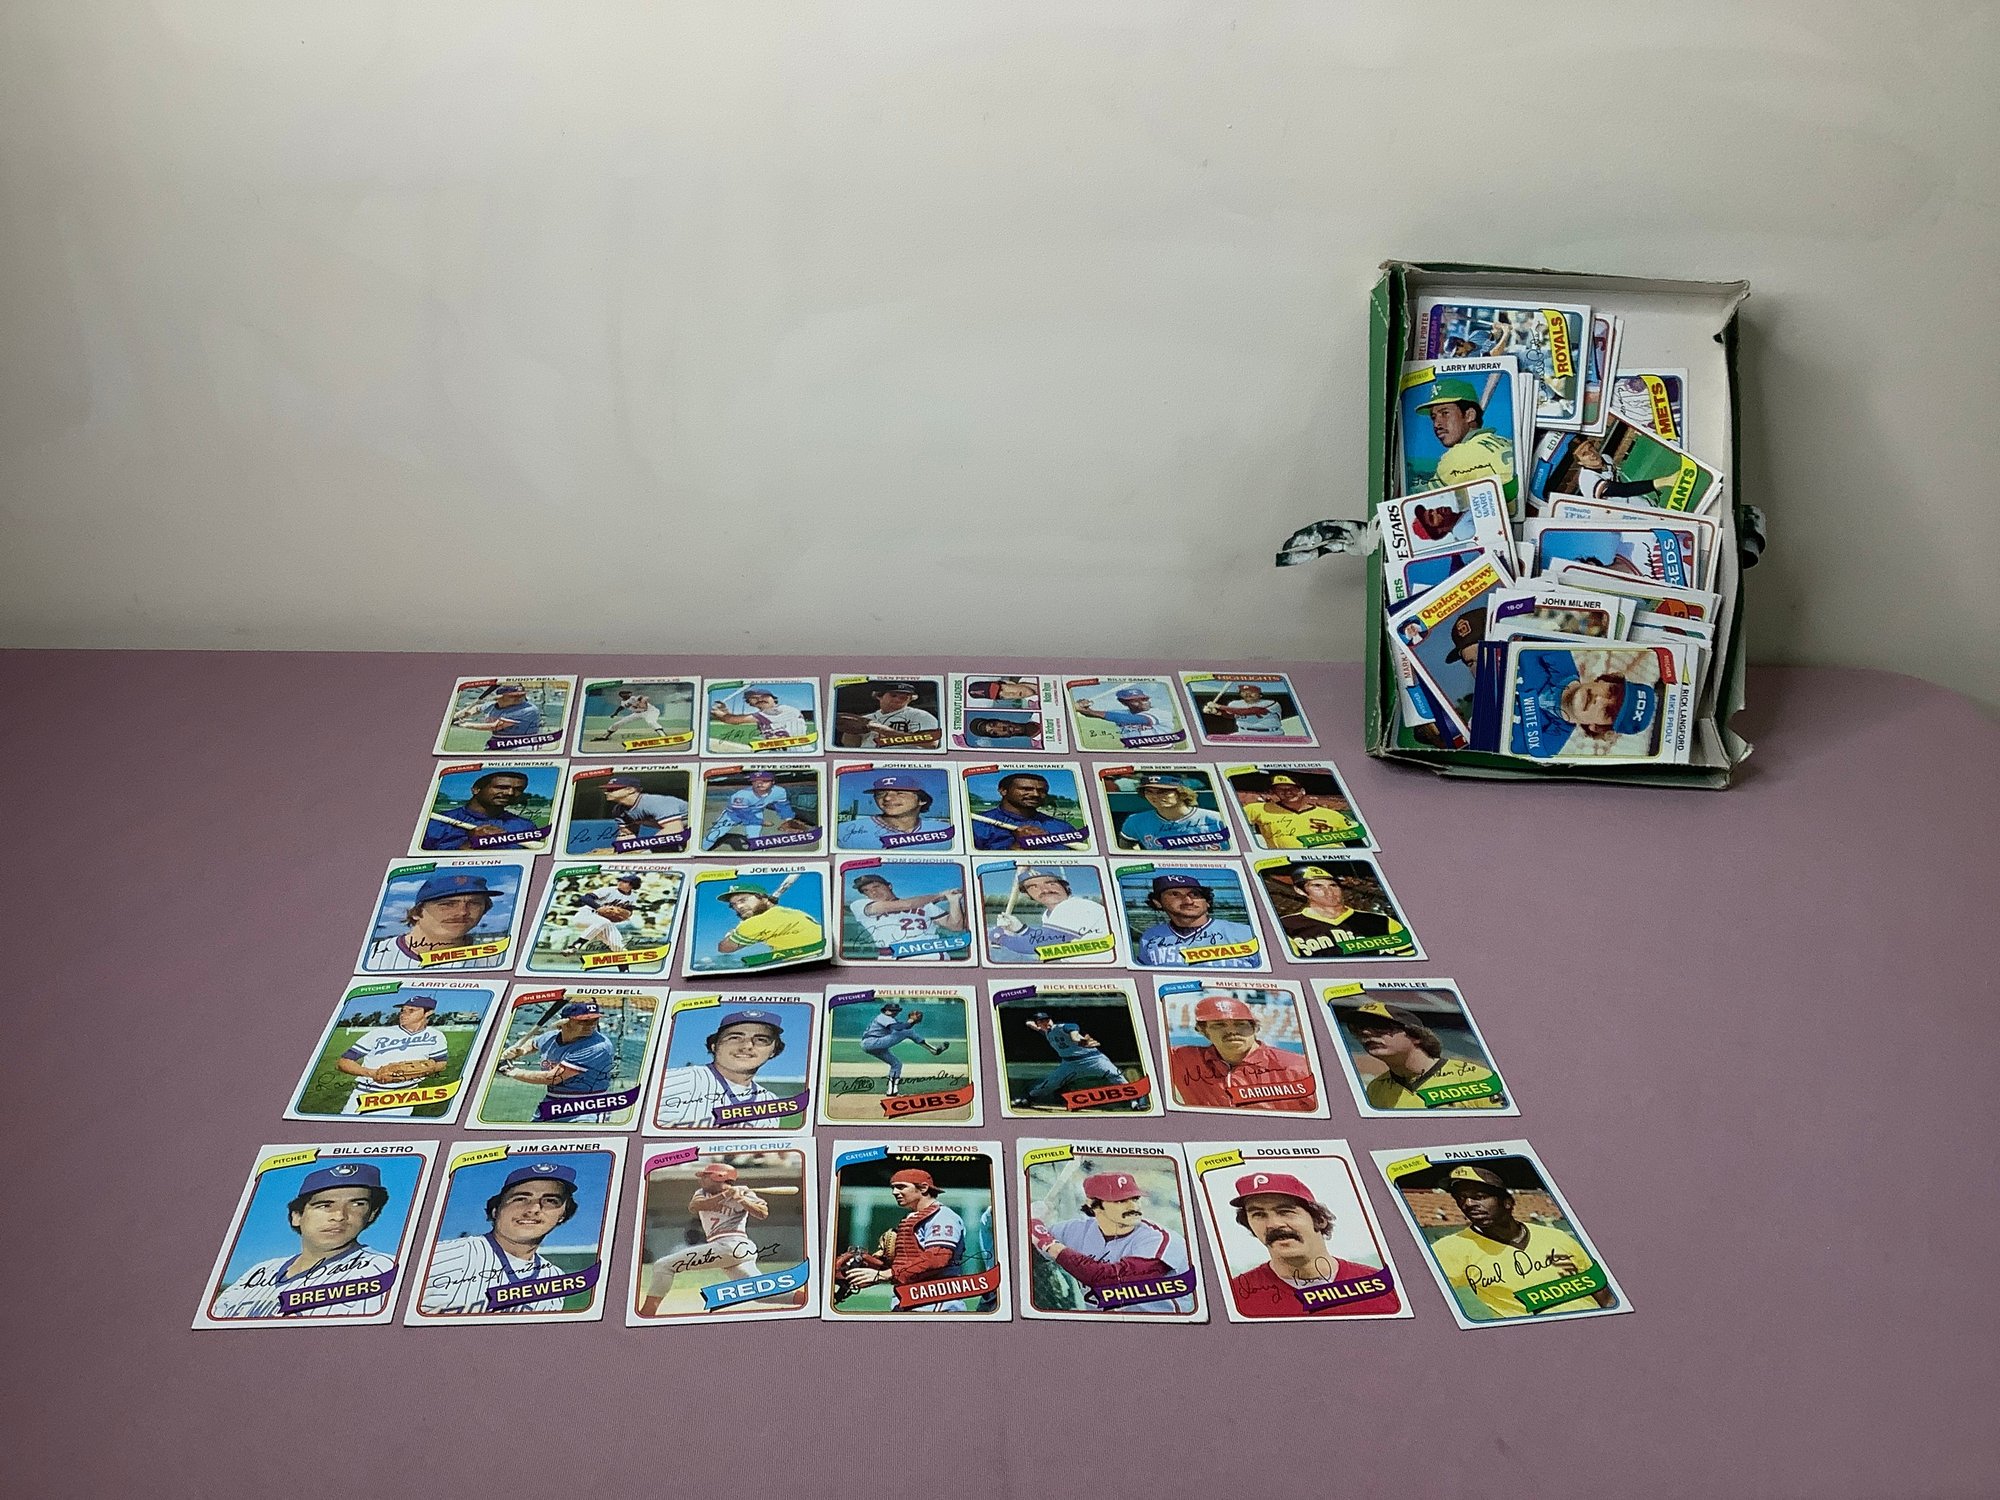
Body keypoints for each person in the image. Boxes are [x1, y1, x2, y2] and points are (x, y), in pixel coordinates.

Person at [210, 1162, 397, 1319]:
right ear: (297, 1216)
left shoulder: (385, 1268)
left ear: (371, 1214)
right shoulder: (259, 1271)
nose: (340, 1216)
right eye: (325, 1205)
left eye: (357, 1204)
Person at [1429, 1165, 1615, 1319]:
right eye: (1461, 1198)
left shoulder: (1557, 1237)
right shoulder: (1451, 1248)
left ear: (1507, 1202)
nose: (1468, 1204)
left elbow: (1605, 1297)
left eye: (1479, 1196)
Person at [1226, 1171, 1401, 1317]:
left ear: (1319, 1220)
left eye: (1285, 1211)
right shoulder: (1234, 1296)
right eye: (1258, 1215)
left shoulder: (1380, 1285)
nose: (1273, 1224)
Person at [419, 1162, 582, 1315]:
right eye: (520, 1199)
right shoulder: (443, 1255)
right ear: (496, 1211)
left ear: (562, 1215)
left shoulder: (554, 1277)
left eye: (550, 1201)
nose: (533, 1209)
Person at [1029, 1171, 1194, 1314]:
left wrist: (1048, 1243)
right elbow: (1029, 1245)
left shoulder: (1158, 1239)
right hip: (1101, 1327)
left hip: (1163, 1327)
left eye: (1135, 1198)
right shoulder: (1074, 1230)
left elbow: (1109, 1279)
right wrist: (1032, 1220)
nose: (1133, 1206)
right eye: (1120, 1201)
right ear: (1094, 1205)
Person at [637, 1162, 768, 1316]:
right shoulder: (702, 1193)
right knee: (760, 1293)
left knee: (662, 1266)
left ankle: (646, 1314)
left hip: (734, 1245)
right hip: (726, 1248)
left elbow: (763, 1213)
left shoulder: (744, 1192)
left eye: (706, 1177)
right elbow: (695, 1206)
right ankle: (795, 1298)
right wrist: (725, 1195)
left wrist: (742, 1199)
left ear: (719, 1177)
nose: (701, 1180)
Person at [837, 1169, 972, 1312]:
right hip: (911, 1298)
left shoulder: (942, 1217)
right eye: (893, 1188)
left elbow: (937, 1258)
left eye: (901, 1187)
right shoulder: (912, 1217)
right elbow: (908, 1262)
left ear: (923, 1188)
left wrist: (884, 1275)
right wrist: (869, 1268)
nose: (894, 1192)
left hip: (935, 1302)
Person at [1341, 1001, 1503, 1110]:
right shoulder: (1375, 1089)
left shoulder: (1477, 1078)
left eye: (1379, 1026)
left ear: (1416, 1036)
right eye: (1357, 1029)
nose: (1366, 1033)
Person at [1166, 993, 1315, 1111]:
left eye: (1240, 1024)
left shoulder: (1296, 1066)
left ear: (1255, 1028)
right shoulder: (1183, 1060)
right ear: (1203, 1031)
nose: (1232, 1031)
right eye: (1219, 1024)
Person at [1513, 648, 1661, 758]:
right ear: (1604, 680)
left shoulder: (1544, 747)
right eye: (1611, 690)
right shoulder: (1555, 650)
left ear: (1596, 727)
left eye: (1608, 711)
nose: (1599, 699)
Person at [653, 1008, 790, 1128]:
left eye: (761, 1040)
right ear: (714, 1046)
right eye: (735, 1038)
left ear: (773, 1051)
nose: (747, 1046)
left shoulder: (770, 1102)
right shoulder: (671, 1080)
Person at [494, 999, 620, 1122]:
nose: (591, 1025)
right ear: (564, 1023)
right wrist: (521, 1051)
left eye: (594, 1020)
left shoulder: (597, 1046)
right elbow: (533, 1043)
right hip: (553, 1100)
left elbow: (552, 1078)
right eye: (584, 1021)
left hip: (585, 1106)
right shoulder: (551, 1037)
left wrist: (511, 1071)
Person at [364, 871, 509, 971]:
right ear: (417, 912)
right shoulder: (371, 955)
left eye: (474, 903)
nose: (463, 912)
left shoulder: (497, 958)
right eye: (447, 904)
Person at [334, 993, 450, 1117]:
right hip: (368, 1094)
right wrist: (372, 1073)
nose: (404, 1014)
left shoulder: (436, 1036)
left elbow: (441, 1063)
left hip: (405, 1097)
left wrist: (426, 1069)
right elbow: (343, 1062)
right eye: (403, 1010)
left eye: (411, 1010)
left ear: (428, 1013)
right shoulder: (379, 1033)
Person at [1275, 865, 1416, 959]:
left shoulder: (1382, 922)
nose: (1328, 892)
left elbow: (1410, 958)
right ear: (1300, 891)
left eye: (1333, 885)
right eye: (1317, 886)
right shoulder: (1287, 927)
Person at [1414, 378, 1516, 503]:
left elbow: (1418, 502)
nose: (1436, 424)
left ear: (1469, 415)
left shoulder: (1456, 456)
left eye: (1445, 413)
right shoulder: (1508, 442)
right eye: (1433, 417)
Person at [1132, 873, 1261, 969]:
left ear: (1207, 902)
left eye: (1195, 894)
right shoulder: (1150, 937)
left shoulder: (1247, 933)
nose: (1188, 901)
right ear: (1158, 902)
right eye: (1175, 894)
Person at [985, 867, 1110, 959]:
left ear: (1065, 887)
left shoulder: (1076, 906)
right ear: (1029, 895)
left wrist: (1000, 937)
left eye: (1051, 883)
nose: (1045, 889)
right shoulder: (1049, 914)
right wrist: (1021, 929)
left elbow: (1037, 945)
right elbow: (1048, 939)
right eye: (1033, 887)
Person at [1016, 1011, 1129, 1108]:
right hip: (1070, 1064)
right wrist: (1031, 1024)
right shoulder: (1047, 1032)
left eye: (1047, 1020)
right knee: (1049, 1084)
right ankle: (1027, 1099)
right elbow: (1032, 1025)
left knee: (1117, 1075)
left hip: (1094, 1060)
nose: (1046, 1023)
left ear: (1051, 1020)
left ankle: (1135, 1101)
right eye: (1041, 1021)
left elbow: (1074, 1036)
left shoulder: (1064, 1027)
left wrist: (1081, 1040)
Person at [846, 872, 967, 962]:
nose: (873, 892)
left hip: (930, 956)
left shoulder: (925, 905)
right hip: (892, 959)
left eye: (876, 887)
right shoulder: (859, 906)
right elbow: (906, 905)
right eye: (866, 891)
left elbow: (956, 926)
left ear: (889, 886)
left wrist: (954, 901)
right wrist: (940, 896)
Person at [422, 769, 538, 851]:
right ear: (476, 789)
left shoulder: (525, 826)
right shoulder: (435, 823)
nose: (510, 793)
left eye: (518, 789)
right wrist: (470, 844)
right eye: (501, 787)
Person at [1235, 773, 1359, 849]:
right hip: (1286, 862)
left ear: (1302, 791)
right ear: (1274, 792)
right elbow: (1232, 822)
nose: (1287, 792)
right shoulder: (1259, 809)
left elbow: (1357, 836)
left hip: (1333, 862)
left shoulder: (1331, 815)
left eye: (1292, 788)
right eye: (1280, 789)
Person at [856, 997, 948, 1097]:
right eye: (891, 1010)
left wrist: (912, 1022)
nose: (893, 1012)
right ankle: (934, 1050)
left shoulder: (891, 1020)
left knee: (896, 1064)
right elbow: (898, 1028)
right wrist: (910, 1022)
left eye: (895, 1010)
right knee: (908, 1032)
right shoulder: (883, 1017)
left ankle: (892, 1091)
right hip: (872, 1042)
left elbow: (903, 1027)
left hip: (875, 1044)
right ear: (885, 1011)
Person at [971, 772, 1085, 850]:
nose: (1035, 794)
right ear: (1003, 791)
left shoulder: (1063, 828)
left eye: (1041, 791)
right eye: (1026, 789)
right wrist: (1018, 846)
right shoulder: (976, 825)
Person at [712, 883, 823, 961]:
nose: (739, 907)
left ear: (763, 898)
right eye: (733, 905)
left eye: (743, 900)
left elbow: (724, 948)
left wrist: (732, 934)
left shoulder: (758, 921)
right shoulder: (794, 913)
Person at [1115, 775, 1228, 851]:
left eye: (1163, 791)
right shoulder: (1135, 821)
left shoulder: (1218, 819)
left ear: (1182, 793)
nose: (1155, 796)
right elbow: (1126, 848)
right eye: (1149, 792)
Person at [840, 774, 953, 849]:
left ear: (922, 800)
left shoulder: (945, 829)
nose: (887, 798)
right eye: (880, 794)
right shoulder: (844, 831)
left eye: (900, 793)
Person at [701, 770, 795, 851]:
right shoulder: (741, 795)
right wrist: (761, 822)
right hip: (733, 814)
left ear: (773, 782)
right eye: (756, 781)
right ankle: (702, 850)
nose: (760, 784)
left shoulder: (779, 791)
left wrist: (788, 820)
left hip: (756, 812)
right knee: (713, 835)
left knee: (755, 838)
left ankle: (757, 856)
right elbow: (743, 813)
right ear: (752, 783)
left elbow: (782, 805)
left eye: (765, 781)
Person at [837, 681, 940, 749]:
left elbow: (931, 743)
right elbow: (851, 746)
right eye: (893, 695)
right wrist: (850, 732)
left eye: (904, 697)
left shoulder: (920, 715)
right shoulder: (865, 718)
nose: (898, 699)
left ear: (910, 699)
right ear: (879, 696)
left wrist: (883, 730)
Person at [600, 775, 691, 848]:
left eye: (612, 789)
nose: (606, 792)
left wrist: (648, 847)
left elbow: (674, 830)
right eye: (607, 789)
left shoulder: (653, 802)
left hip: (697, 829)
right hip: (685, 833)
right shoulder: (619, 810)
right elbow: (627, 836)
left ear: (630, 790)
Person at [1074, 685, 1178, 746]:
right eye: (1135, 701)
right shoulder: (1122, 713)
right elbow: (1094, 714)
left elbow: (1134, 720)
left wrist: (1090, 712)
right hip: (1134, 750)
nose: (1142, 703)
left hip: (1161, 750)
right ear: (1123, 703)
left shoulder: (1161, 713)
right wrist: (1083, 708)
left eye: (1144, 699)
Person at [453, 682, 543, 747]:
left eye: (521, 695)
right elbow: (478, 708)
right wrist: (467, 713)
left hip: (522, 745)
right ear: (499, 697)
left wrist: (465, 724)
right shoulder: (492, 705)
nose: (519, 698)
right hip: (498, 742)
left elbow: (495, 726)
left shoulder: (528, 709)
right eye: (514, 696)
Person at [710, 685, 810, 744]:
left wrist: (717, 712)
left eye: (764, 696)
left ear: (774, 699)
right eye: (754, 698)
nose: (760, 699)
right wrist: (725, 710)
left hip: (797, 750)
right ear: (750, 703)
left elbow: (732, 720)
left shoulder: (782, 710)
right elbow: (733, 718)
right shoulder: (763, 716)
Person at [562, 896, 635, 968]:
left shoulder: (622, 904)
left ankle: (624, 971)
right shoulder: (605, 894)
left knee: (620, 947)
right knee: (604, 921)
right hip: (585, 916)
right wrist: (599, 908)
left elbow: (624, 913)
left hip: (602, 924)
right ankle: (576, 945)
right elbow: (584, 898)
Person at [1203, 682, 1286, 736]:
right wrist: (1216, 712)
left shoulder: (1271, 703)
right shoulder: (1235, 704)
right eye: (1244, 692)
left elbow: (1248, 711)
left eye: (1252, 692)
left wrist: (1218, 706)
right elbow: (1234, 715)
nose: (1248, 695)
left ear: (1260, 695)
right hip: (1243, 732)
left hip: (1269, 734)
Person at [593, 688, 662, 743]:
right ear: (621, 695)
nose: (628, 694)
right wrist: (615, 713)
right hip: (637, 713)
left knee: (651, 722)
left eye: (628, 693)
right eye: (625, 693)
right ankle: (605, 736)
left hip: (650, 711)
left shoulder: (633, 698)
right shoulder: (623, 702)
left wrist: (641, 701)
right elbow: (621, 707)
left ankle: (663, 736)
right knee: (619, 723)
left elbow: (641, 698)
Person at [1409, 501, 1477, 546]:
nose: (1435, 512)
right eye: (1432, 518)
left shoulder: (1462, 515)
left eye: (1431, 511)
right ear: (1438, 531)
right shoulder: (1462, 532)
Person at [963, 715, 1040, 747]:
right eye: (994, 733)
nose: (1001, 729)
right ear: (1003, 737)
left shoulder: (1037, 715)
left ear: (1001, 720)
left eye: (994, 724)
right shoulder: (1038, 745)